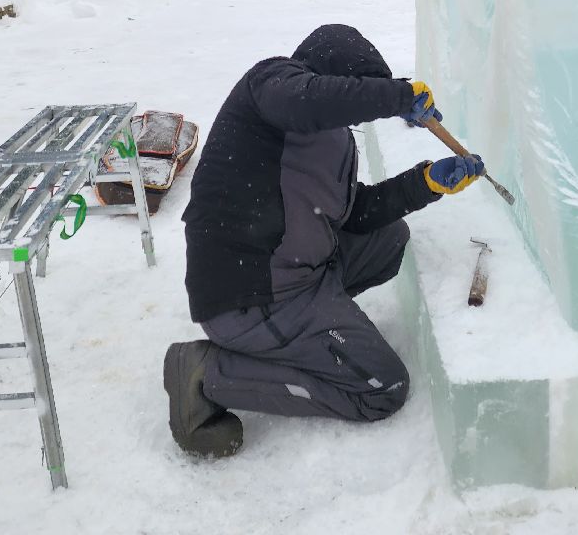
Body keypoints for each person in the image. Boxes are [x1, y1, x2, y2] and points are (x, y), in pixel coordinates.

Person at [163, 24, 485, 458]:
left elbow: (353, 215)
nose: (356, 116)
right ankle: (207, 374)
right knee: (381, 389)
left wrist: (426, 182)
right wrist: (396, 96)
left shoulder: (334, 139)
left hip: (297, 272)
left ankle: (315, 327)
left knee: (388, 239)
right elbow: (309, 100)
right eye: (355, 95)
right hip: (251, 296)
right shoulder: (270, 86)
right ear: (333, 78)